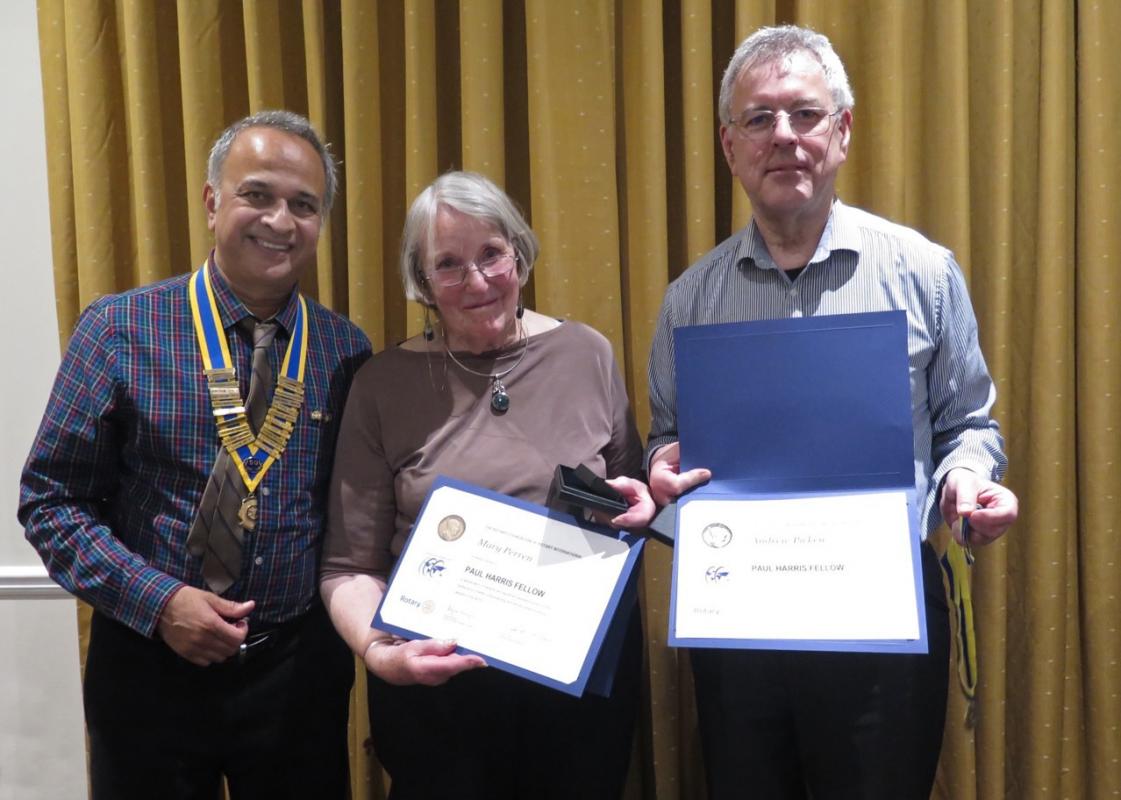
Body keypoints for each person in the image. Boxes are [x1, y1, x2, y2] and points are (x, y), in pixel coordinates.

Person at [646, 25, 1020, 800]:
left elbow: (967, 425)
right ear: (728, 144)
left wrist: (966, 482)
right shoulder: (690, 301)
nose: (782, 137)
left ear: (841, 130)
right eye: (758, 118)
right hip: (739, 626)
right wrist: (662, 469)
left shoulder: (924, 273)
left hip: (882, 630)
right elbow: (666, 438)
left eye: (804, 114)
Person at [19, 110, 371, 799]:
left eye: (304, 205)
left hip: (294, 676)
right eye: (257, 194)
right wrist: (159, 602)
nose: (280, 220)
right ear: (213, 202)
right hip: (149, 665)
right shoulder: (119, 328)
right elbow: (51, 501)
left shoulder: (343, 350)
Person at [320, 170, 653, 799]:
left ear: (520, 255)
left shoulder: (588, 355)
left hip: (574, 694)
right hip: (440, 699)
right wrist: (378, 652)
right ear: (422, 283)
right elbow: (346, 567)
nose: (476, 280)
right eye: (448, 264)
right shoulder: (380, 384)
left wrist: (638, 505)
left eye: (492, 254)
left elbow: (628, 502)